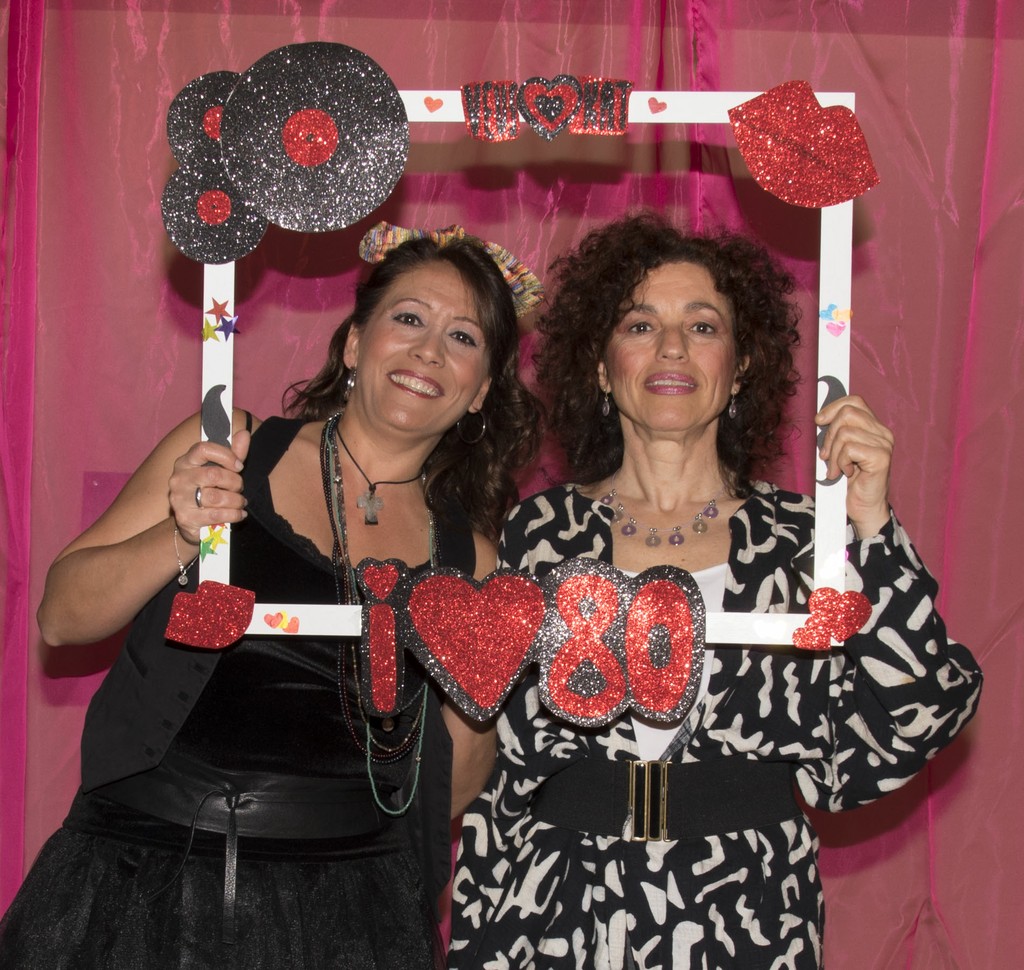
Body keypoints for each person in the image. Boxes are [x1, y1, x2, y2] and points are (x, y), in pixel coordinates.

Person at [449, 212, 982, 969]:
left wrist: (872, 526)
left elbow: (922, 710)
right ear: (600, 366)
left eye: (702, 326)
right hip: (559, 900)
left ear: (739, 369)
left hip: (749, 907)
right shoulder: (537, 533)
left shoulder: (808, 537)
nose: (671, 347)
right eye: (640, 325)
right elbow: (492, 758)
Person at [0, 225, 541, 969]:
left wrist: (478, 687)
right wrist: (182, 534)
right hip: (143, 880)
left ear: (480, 390)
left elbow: (446, 794)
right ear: (355, 344)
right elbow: (61, 618)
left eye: (463, 337)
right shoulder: (228, 448)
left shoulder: (468, 558)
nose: (428, 351)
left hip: (347, 911)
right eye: (409, 318)